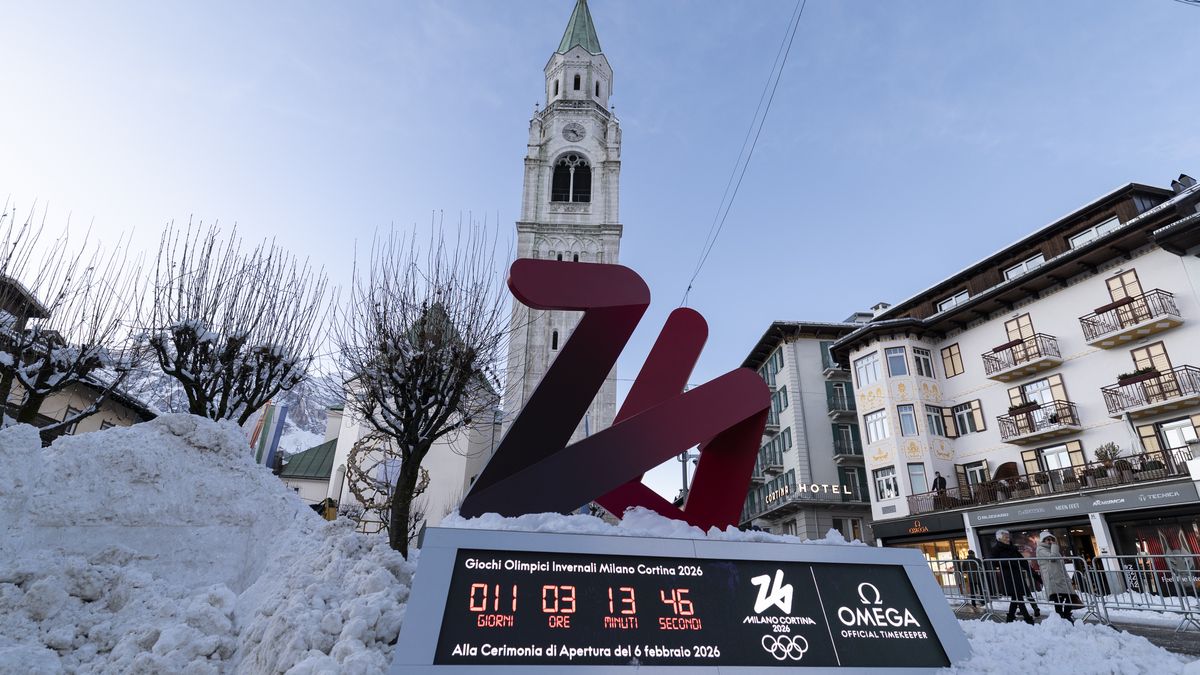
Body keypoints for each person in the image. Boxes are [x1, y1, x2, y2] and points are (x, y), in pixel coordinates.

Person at [990, 529, 1035, 624]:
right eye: (1005, 537)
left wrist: (1032, 572)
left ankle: (1010, 617)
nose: (1008, 538)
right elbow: (993, 562)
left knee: (1016, 597)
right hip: (1008, 576)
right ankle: (1028, 619)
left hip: (1017, 574)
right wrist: (1006, 561)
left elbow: (1022, 561)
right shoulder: (996, 549)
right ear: (999, 538)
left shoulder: (1013, 548)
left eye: (1008, 536)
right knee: (1018, 596)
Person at [1036, 531, 1076, 623]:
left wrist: (1067, 578)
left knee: (1070, 597)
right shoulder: (1041, 549)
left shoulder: (1053, 549)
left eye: (1052, 539)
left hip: (1060, 578)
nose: (1050, 541)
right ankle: (1061, 616)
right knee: (1059, 598)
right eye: (1048, 540)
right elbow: (1052, 557)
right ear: (1043, 540)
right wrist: (1054, 546)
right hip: (1052, 578)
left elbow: (1061, 566)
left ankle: (1065, 615)